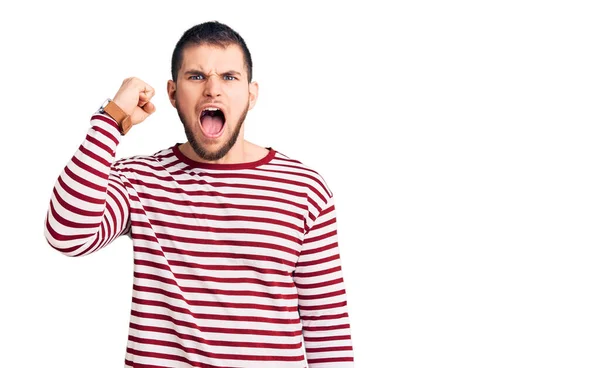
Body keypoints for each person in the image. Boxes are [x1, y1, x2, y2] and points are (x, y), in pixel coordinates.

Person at [43, 21, 354, 367]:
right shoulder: (140, 180)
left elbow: (327, 328)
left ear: (251, 95)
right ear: (173, 94)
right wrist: (111, 120)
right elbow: (67, 234)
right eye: (196, 77)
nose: (212, 90)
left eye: (229, 77)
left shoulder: (304, 189)